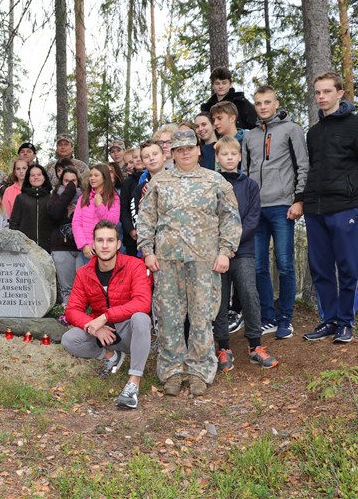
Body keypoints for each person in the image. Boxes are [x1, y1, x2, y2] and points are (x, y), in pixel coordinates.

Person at [137, 130, 242, 397]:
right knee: (169, 318)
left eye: (189, 148)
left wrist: (225, 251)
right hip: (167, 261)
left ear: (198, 150)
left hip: (204, 261)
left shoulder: (215, 182)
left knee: (202, 317)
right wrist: (147, 251)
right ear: (172, 153)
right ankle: (172, 371)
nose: (185, 153)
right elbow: (146, 219)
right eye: (179, 149)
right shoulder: (160, 182)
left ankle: (199, 371)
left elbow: (230, 219)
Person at [302, 72, 358, 343]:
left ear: (340, 93)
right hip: (315, 209)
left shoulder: (357, 126)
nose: (322, 97)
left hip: (344, 208)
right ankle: (329, 321)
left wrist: (352, 191)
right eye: (318, 92)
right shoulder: (313, 133)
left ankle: (346, 322)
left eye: (327, 91)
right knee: (321, 268)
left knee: (348, 267)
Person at [62, 220, 153, 409]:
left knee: (141, 318)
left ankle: (133, 383)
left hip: (129, 330)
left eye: (110, 240)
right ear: (93, 244)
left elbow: (143, 303)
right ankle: (111, 356)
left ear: (118, 244)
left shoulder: (134, 266)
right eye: (100, 240)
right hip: (104, 334)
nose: (105, 245)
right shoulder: (84, 273)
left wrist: (105, 317)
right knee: (69, 340)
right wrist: (94, 328)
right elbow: (72, 310)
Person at [242, 86, 309, 339]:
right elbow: (246, 174)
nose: (262, 107)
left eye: (267, 102)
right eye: (258, 103)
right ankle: (268, 317)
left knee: (284, 265)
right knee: (259, 267)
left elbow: (303, 166)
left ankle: (285, 318)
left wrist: (299, 199)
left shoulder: (291, 130)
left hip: (283, 206)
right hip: (257, 210)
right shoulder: (249, 137)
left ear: (276, 102)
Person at [212, 136, 279, 373]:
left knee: (250, 294)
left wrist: (233, 243)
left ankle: (255, 346)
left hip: (243, 250)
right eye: (224, 154)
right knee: (219, 299)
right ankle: (223, 348)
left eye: (233, 154)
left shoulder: (250, 185)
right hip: (216, 253)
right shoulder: (212, 183)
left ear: (240, 157)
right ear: (217, 157)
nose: (229, 158)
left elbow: (252, 219)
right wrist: (221, 246)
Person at [72, 164, 122, 262]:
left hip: (106, 249)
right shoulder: (83, 198)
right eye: (90, 175)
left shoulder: (114, 197)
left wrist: (100, 206)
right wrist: (84, 245)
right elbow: (76, 223)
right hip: (88, 251)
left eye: (96, 175)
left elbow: (113, 222)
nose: (92, 178)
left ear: (104, 177)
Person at [48, 166, 83, 303]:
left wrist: (77, 210)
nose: (70, 184)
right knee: (66, 288)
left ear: (78, 181)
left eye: (73, 181)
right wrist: (68, 193)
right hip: (61, 247)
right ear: (61, 181)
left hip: (81, 248)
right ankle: (67, 317)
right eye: (66, 181)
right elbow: (55, 214)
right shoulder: (55, 196)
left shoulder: (85, 197)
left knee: (82, 287)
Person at [8, 163, 53, 252]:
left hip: (48, 247)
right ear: (28, 178)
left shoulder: (52, 198)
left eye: (39, 175)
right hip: (25, 247)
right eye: (32, 175)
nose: (36, 177)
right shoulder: (21, 198)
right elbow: (14, 224)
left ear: (44, 177)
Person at [200, 66, 258, 130]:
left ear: (230, 84)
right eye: (217, 83)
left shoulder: (241, 103)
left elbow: (255, 126)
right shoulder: (208, 108)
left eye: (224, 83)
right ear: (213, 86)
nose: (221, 86)